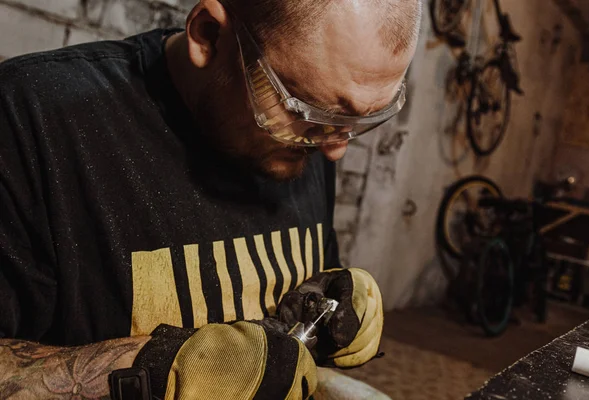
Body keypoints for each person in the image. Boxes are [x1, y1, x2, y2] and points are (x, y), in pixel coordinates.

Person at [0, 0, 421, 398]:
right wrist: (153, 369)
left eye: (355, 121)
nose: (334, 150)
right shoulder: (31, 120)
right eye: (306, 108)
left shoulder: (309, 136)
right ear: (208, 34)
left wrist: (324, 304)